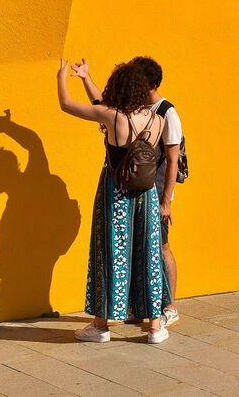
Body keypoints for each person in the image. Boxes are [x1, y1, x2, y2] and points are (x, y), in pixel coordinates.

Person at [56, 59, 171, 344]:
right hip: (146, 196)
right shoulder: (158, 120)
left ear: (119, 88)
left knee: (110, 252)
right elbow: (102, 104)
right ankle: (155, 328)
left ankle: (100, 326)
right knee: (148, 254)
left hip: (116, 192)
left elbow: (67, 105)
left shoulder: (113, 117)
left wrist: (62, 77)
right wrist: (87, 78)